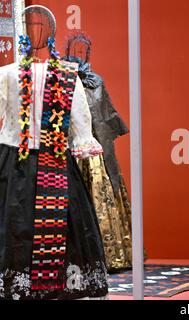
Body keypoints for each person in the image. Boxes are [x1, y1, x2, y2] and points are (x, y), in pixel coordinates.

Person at [0, 5, 108, 300]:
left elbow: (79, 122)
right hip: (15, 160)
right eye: (30, 25)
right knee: (14, 225)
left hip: (53, 161)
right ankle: (17, 283)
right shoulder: (7, 74)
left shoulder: (67, 74)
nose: (36, 30)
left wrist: (83, 140)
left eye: (41, 25)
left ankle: (54, 283)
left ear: (51, 31)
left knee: (43, 226)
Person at [63, 32, 133, 272]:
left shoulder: (96, 81)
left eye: (84, 51)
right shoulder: (60, 78)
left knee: (101, 195)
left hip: (94, 151)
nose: (79, 55)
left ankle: (111, 255)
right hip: (68, 147)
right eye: (75, 50)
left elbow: (105, 118)